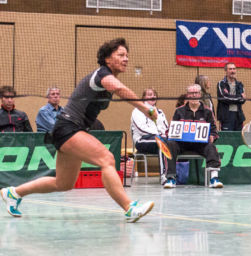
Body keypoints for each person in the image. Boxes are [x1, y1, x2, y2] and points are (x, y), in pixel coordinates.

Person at [1, 38, 156, 222]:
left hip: (69, 129)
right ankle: (129, 207)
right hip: (68, 127)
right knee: (106, 159)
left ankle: (14, 193)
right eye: (121, 55)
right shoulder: (102, 75)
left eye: (127, 56)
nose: (126, 59)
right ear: (107, 59)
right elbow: (120, 89)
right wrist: (145, 108)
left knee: (63, 183)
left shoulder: (108, 78)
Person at [163, 84, 223, 189]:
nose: (194, 95)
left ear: (200, 95)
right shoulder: (179, 111)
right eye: (191, 93)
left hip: (201, 144)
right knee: (170, 144)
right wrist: (171, 134)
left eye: (196, 93)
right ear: (187, 95)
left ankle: (214, 178)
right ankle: (171, 178)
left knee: (211, 147)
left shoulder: (207, 111)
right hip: (182, 144)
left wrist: (212, 137)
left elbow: (214, 131)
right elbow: (170, 130)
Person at [131, 88, 168, 184]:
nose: (152, 96)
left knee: (168, 144)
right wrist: (158, 135)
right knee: (162, 142)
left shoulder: (160, 112)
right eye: (149, 94)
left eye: (154, 94)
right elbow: (141, 129)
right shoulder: (137, 111)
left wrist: (164, 135)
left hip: (158, 140)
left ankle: (168, 175)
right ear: (143, 98)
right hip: (142, 141)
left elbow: (166, 127)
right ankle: (164, 176)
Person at [217, 63, 246, 131]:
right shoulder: (221, 83)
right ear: (226, 71)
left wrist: (230, 97)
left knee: (238, 138)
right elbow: (224, 98)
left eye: (234, 69)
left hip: (238, 116)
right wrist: (239, 97)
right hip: (226, 116)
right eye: (230, 69)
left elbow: (243, 100)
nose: (232, 71)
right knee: (227, 138)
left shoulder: (240, 84)